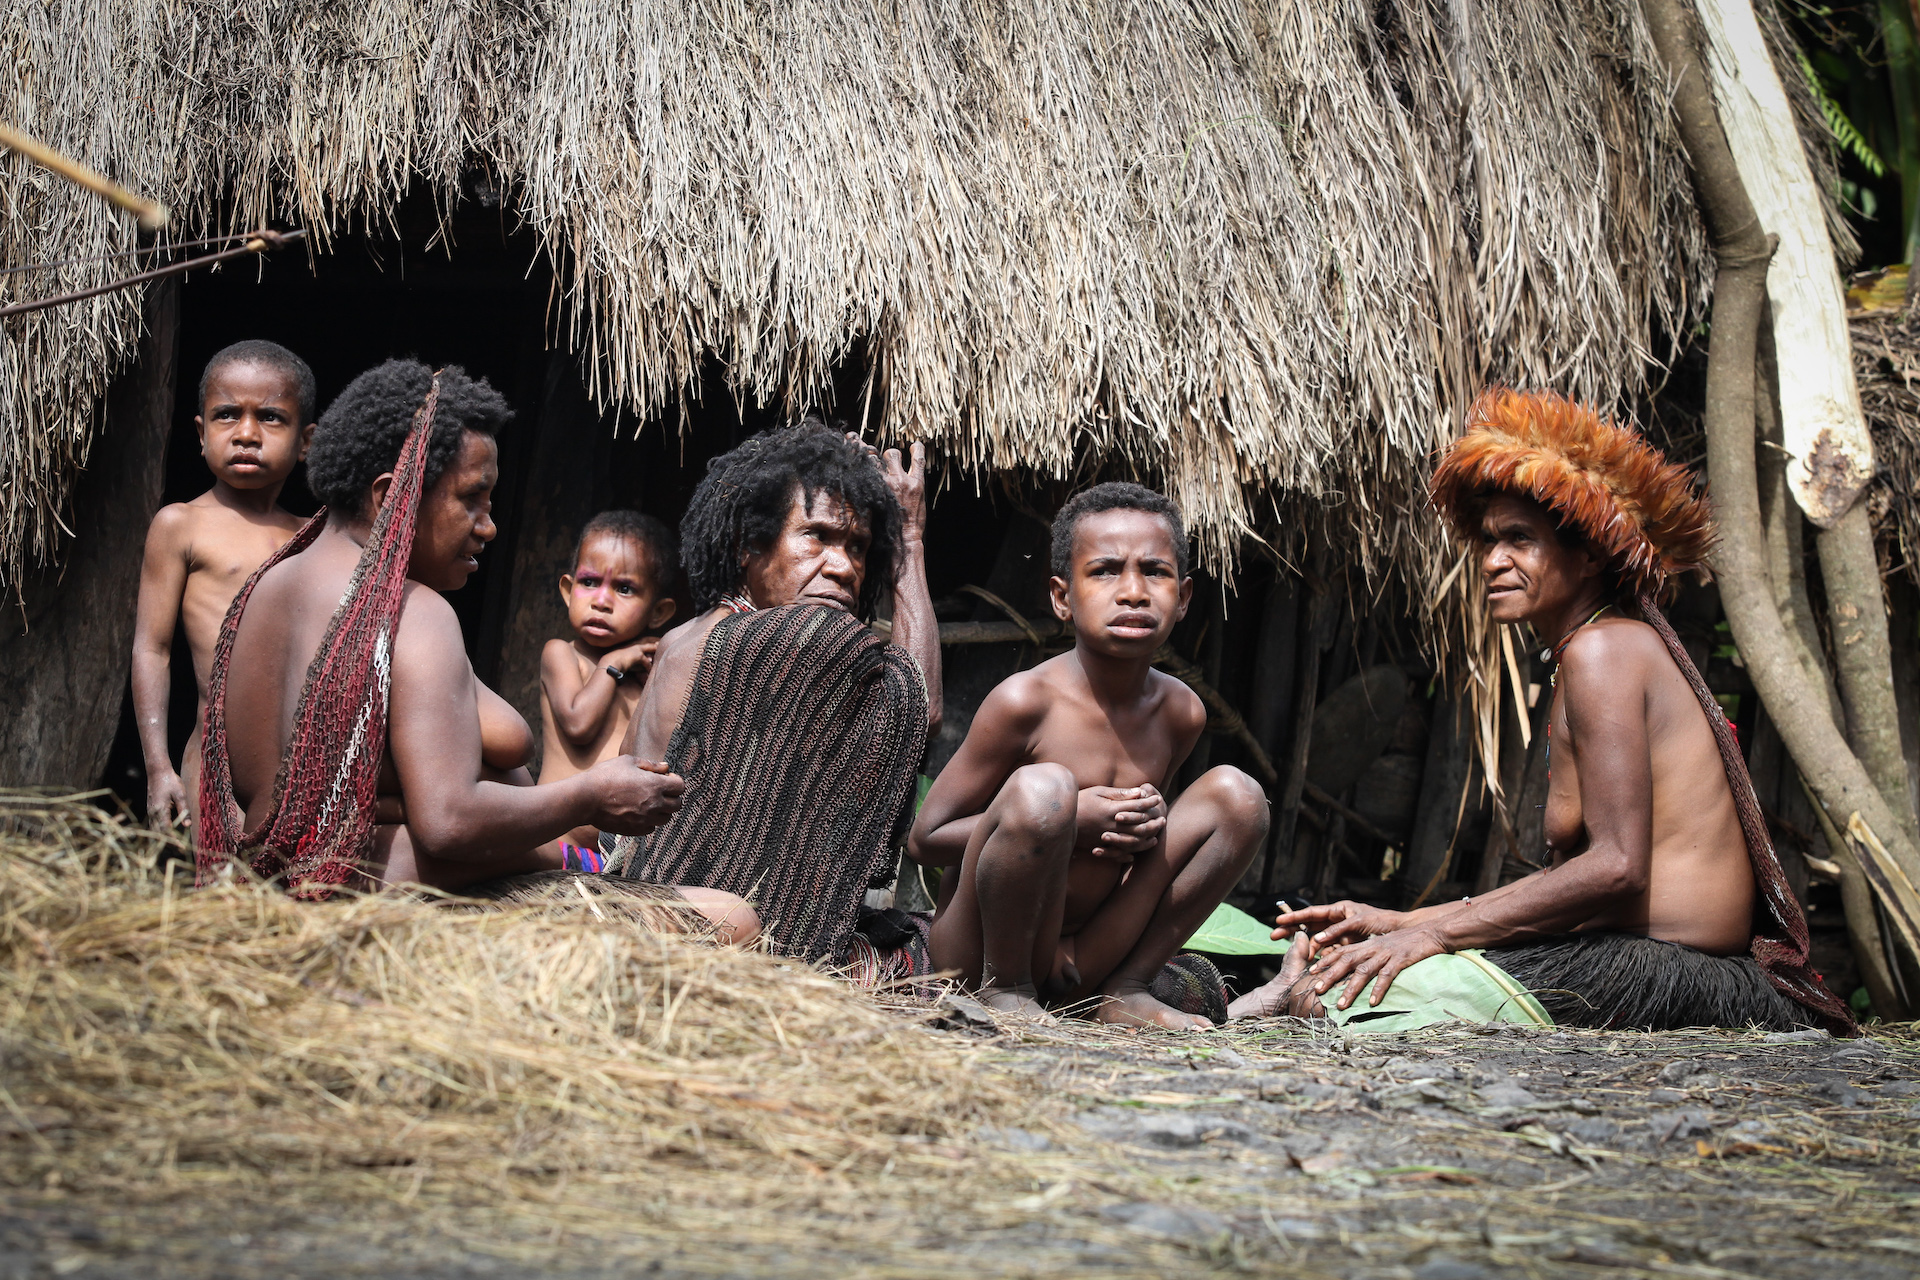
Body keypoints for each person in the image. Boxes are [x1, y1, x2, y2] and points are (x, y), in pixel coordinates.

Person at [1228, 389, 1852, 1034]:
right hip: (1628, 954)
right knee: (1345, 972)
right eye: (1492, 541)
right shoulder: (1598, 646)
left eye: (1520, 540)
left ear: (1588, 557)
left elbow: (1616, 867)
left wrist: (1433, 935)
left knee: (1341, 1003)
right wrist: (1400, 920)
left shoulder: (1605, 650)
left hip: (1669, 970)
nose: (1493, 561)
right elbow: (1585, 881)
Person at [195, 358, 755, 943]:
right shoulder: (413, 612)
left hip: (294, 895)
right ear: (391, 497)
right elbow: (447, 822)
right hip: (399, 904)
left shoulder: (261, 593)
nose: (487, 527)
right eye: (472, 499)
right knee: (731, 919)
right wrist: (589, 795)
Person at [908, 483, 1269, 1029]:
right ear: (1062, 597)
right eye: (1104, 571)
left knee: (1239, 798)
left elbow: (1135, 857)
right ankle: (1007, 993)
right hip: (982, 949)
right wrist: (1072, 818)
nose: (1133, 591)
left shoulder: (1182, 713)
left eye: (1155, 571)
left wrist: (1143, 823)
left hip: (1089, 951)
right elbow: (925, 840)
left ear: (1185, 598)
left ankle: (1127, 986)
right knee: (1045, 790)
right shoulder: (1024, 701)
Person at [608, 422, 938, 965]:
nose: (844, 566)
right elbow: (920, 706)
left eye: (859, 546)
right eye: (818, 536)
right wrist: (909, 540)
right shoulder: (782, 643)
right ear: (748, 546)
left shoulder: (683, 636)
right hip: (707, 926)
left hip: (653, 896)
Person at [132, 340, 316, 833]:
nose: (247, 434)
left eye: (272, 417)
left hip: (308, 762)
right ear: (200, 433)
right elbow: (153, 648)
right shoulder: (181, 524)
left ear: (306, 441)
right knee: (222, 893)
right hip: (216, 762)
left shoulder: (316, 534)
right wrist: (157, 766)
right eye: (227, 415)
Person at [538, 511, 679, 862]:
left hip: (614, 856)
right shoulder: (561, 655)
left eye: (624, 589)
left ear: (658, 613)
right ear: (568, 591)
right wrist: (612, 663)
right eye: (589, 582)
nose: (601, 600)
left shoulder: (642, 675)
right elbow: (578, 724)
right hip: (555, 842)